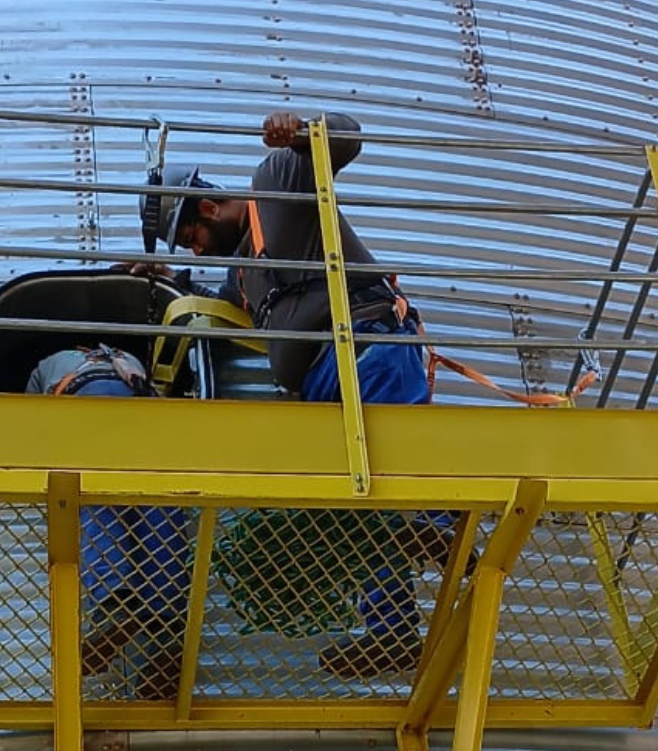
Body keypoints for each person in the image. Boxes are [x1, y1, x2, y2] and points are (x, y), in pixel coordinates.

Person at [138, 111, 458, 679]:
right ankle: (392, 631)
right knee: (362, 512)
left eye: (192, 239)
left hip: (366, 346)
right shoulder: (241, 274)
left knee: (399, 476)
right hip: (320, 386)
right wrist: (160, 273)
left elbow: (346, 139)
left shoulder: (275, 181)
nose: (197, 252)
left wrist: (307, 130)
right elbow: (210, 297)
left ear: (209, 208)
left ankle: (444, 525)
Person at [25, 345, 189, 700]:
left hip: (84, 404)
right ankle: (167, 625)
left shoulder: (47, 366)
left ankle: (114, 601)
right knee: (159, 506)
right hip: (142, 411)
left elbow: (32, 424)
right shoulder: (127, 358)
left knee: (98, 501)